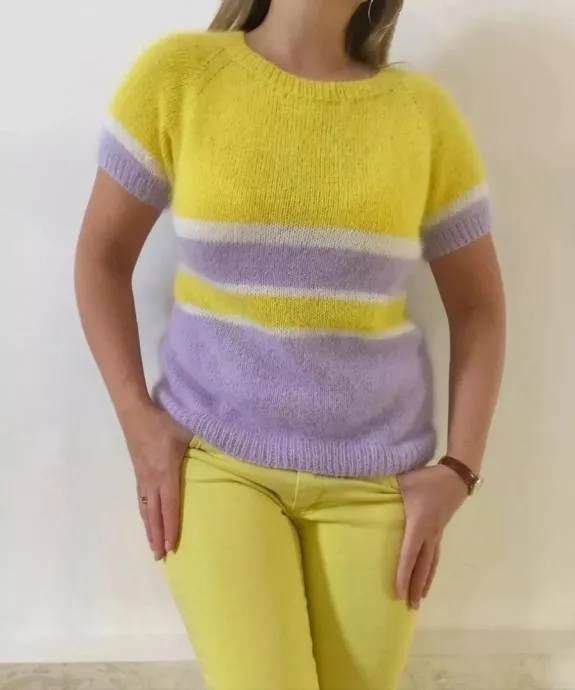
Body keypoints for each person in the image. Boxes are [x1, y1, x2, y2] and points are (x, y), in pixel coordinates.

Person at [75, 0, 506, 688]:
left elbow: (478, 307)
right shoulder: (181, 76)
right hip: (218, 463)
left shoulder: (421, 115)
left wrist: (460, 469)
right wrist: (137, 420)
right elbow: (101, 258)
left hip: (375, 483)